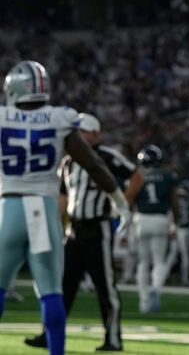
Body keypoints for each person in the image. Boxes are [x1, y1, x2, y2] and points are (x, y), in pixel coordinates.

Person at [0, 61, 129, 355]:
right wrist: (119, 201)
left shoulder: (3, 117)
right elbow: (93, 164)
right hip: (43, 210)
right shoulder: (59, 118)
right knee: (50, 289)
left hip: (10, 207)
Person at [24, 112, 144, 352]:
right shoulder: (68, 161)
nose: (77, 137)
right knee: (60, 286)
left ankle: (113, 338)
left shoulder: (107, 156)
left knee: (105, 286)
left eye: (82, 132)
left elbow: (137, 176)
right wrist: (55, 224)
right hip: (73, 231)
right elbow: (63, 196)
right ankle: (49, 334)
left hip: (97, 229)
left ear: (95, 134)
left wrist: (121, 206)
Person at [128, 144, 178, 313]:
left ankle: (144, 301)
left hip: (141, 219)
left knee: (143, 262)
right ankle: (155, 288)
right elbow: (174, 203)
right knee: (159, 261)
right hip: (160, 219)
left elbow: (129, 199)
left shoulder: (138, 176)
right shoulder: (168, 177)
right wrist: (175, 224)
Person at [167, 179, 189, 286]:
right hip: (184, 229)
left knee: (172, 255)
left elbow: (170, 213)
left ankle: (164, 276)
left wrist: (170, 228)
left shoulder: (174, 198)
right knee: (185, 256)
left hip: (175, 228)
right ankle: (185, 279)